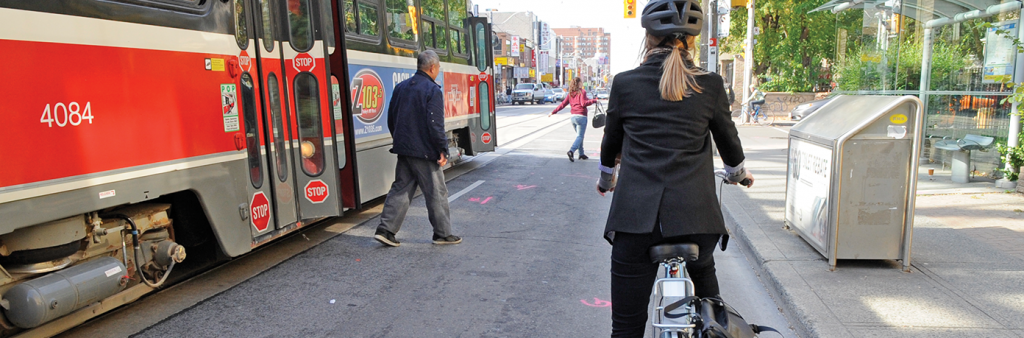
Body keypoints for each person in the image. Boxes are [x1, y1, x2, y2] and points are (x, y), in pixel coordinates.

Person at [595, 0, 754, 336]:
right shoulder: (709, 85)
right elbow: (728, 141)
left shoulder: (625, 83)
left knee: (625, 327)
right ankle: (716, 325)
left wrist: (606, 179)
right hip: (697, 219)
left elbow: (611, 144)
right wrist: (739, 174)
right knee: (714, 314)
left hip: (636, 221)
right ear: (692, 42)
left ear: (648, 38)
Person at [373, 50, 462, 247]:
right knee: (436, 192)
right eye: (438, 68)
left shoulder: (401, 87)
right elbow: (435, 124)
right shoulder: (432, 90)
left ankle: (386, 230)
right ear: (432, 68)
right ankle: (443, 233)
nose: (437, 71)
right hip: (425, 151)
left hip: (404, 148)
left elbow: (391, 118)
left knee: (401, 188)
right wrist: (442, 149)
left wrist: (400, 140)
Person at [548, 77, 598, 162]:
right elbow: (583, 103)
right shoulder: (582, 91)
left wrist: (553, 112)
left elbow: (563, 104)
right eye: (581, 82)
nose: (582, 83)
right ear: (578, 83)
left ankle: (581, 153)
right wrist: (594, 101)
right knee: (580, 136)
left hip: (573, 117)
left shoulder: (570, 94)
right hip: (581, 116)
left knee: (579, 136)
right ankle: (571, 151)